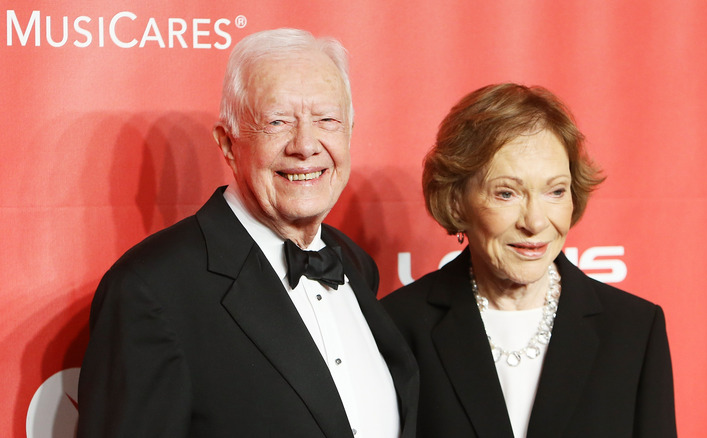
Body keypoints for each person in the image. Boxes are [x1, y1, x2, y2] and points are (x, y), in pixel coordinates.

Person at [77, 28, 418, 438]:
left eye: (327, 120)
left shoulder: (355, 263)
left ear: (349, 132)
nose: (306, 145)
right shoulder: (151, 291)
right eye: (277, 122)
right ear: (227, 143)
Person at [382, 83, 676, 438]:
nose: (535, 222)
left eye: (555, 191)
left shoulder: (633, 331)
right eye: (507, 193)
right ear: (456, 200)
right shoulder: (397, 327)